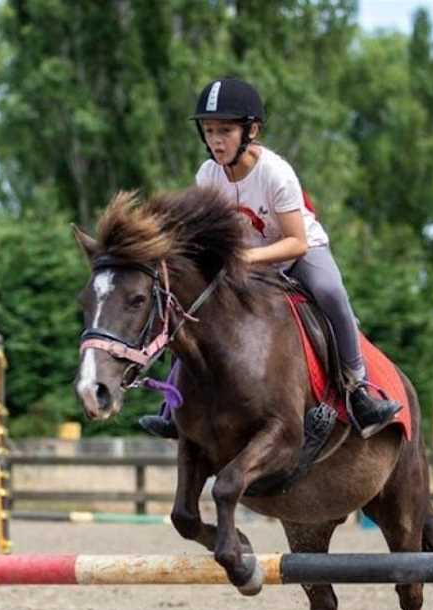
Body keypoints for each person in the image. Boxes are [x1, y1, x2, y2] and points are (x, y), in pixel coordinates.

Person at [140, 77, 400, 439]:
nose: (216, 140)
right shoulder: (207, 174)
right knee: (189, 302)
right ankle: (173, 402)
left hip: (296, 252)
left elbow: (296, 243)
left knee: (330, 291)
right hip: (245, 262)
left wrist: (247, 257)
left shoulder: (275, 173)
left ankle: (358, 389)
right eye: (209, 130)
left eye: (226, 131)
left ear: (251, 130)